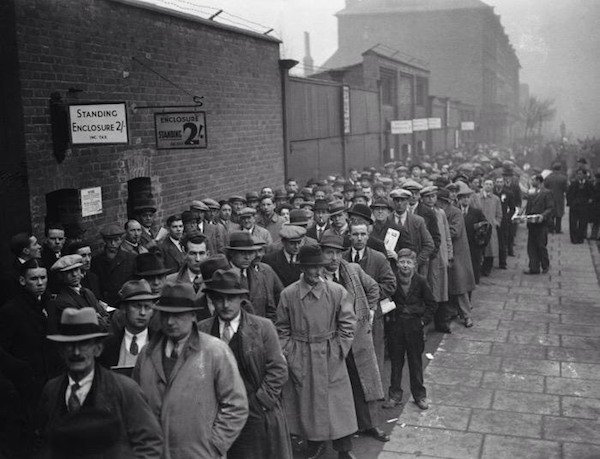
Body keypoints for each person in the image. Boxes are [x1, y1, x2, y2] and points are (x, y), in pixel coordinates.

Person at [133, 283, 248, 458]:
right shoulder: (147, 353)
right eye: (165, 315)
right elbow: (136, 404)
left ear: (193, 315)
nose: (170, 322)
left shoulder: (214, 350)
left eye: (178, 315)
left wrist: (214, 445)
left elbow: (236, 405)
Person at [38, 308, 163, 458]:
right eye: (69, 345)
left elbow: (150, 442)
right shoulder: (52, 390)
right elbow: (43, 444)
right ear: (61, 351)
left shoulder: (124, 389)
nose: (76, 352)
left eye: (84, 344)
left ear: (98, 349)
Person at [198, 270, 292, 459]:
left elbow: (278, 369)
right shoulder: (202, 330)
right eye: (219, 299)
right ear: (211, 300)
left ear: (241, 298)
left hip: (256, 414)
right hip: (217, 416)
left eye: (231, 298)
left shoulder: (262, 327)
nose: (225, 305)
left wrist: (259, 403)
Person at [276, 244, 358, 459]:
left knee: (339, 405)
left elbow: (348, 324)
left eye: (319, 267)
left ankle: (344, 449)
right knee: (307, 403)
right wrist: (289, 352)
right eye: (311, 267)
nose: (316, 272)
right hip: (301, 354)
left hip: (330, 352)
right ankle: (315, 443)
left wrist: (339, 349)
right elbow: (281, 328)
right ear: (302, 268)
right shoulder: (289, 294)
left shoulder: (336, 291)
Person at [320, 234, 388, 444]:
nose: (333, 258)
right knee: (338, 385)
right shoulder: (317, 277)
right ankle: (342, 430)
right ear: (321, 254)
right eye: (329, 252)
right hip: (332, 340)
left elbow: (374, 287)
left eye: (337, 253)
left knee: (365, 381)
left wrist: (369, 309)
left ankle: (371, 424)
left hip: (357, 336)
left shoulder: (353, 270)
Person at [0, 259, 63, 450]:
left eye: (43, 278)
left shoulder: (51, 305)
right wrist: (21, 370)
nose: (40, 283)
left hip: (53, 377)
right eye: (34, 279)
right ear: (22, 281)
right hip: (27, 385)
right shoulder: (11, 310)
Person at [384, 249, 435, 410]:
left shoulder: (421, 281)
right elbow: (386, 300)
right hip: (396, 328)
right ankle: (394, 396)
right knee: (396, 363)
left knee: (415, 362)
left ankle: (419, 396)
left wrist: (422, 322)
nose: (405, 265)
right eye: (402, 262)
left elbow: (432, 305)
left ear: (414, 265)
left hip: (414, 328)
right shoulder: (392, 280)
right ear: (397, 263)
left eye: (409, 262)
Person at [437, 189, 476, 329]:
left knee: (460, 287)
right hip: (444, 252)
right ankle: (451, 313)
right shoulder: (438, 212)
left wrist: (438, 232)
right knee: (447, 287)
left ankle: (467, 316)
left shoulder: (455, 212)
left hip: (457, 254)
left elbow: (455, 231)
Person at [98, 279, 158, 368]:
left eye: (147, 307)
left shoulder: (161, 343)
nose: (142, 312)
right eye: (137, 306)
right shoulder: (107, 346)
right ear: (123, 309)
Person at [225, 231, 282, 321]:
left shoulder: (260, 275)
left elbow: (270, 308)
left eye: (250, 253)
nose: (247, 257)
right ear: (231, 253)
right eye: (242, 253)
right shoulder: (223, 276)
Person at [47, 254, 110, 334]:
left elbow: (105, 315)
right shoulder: (62, 301)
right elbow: (86, 327)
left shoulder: (87, 292)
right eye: (69, 272)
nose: (74, 274)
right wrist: (98, 318)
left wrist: (98, 318)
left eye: (76, 270)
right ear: (61, 276)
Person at [421, 186, 453, 327]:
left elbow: (446, 235)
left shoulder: (440, 213)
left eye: (433, 196)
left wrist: (449, 254)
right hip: (427, 255)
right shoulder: (420, 213)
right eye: (427, 197)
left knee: (441, 288)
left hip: (440, 255)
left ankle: (441, 321)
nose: (430, 199)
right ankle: (427, 321)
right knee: (427, 287)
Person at [388, 188, 434, 276]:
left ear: (408, 201)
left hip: (414, 271)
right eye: (397, 200)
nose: (400, 203)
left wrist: (416, 262)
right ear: (393, 202)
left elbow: (429, 245)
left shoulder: (417, 221)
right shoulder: (387, 221)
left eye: (403, 200)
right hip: (392, 269)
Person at [91, 224, 136, 307]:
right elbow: (94, 284)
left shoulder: (131, 258)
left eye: (116, 240)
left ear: (121, 240)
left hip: (125, 301)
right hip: (106, 303)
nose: (112, 243)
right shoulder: (96, 260)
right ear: (104, 240)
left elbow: (135, 281)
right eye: (109, 240)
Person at [523, 175, 554, 275]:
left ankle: (545, 265)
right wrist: (525, 217)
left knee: (541, 245)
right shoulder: (532, 192)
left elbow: (550, 208)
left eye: (533, 180)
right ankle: (534, 267)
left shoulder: (546, 193)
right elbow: (528, 206)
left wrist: (543, 216)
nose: (531, 182)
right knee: (531, 246)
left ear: (538, 181)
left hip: (541, 224)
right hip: (532, 223)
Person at [458, 184, 487, 285]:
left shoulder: (476, 212)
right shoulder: (455, 211)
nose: (466, 200)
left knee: (474, 265)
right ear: (459, 199)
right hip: (459, 245)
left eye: (467, 197)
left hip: (473, 245)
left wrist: (480, 239)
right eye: (463, 198)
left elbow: (485, 226)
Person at [479, 179, 502, 276]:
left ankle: (487, 268)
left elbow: (499, 213)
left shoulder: (496, 199)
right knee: (479, 248)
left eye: (490, 184)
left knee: (490, 248)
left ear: (493, 187)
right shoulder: (477, 197)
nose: (488, 186)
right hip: (479, 227)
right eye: (487, 184)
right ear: (483, 185)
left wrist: (497, 222)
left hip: (491, 227)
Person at [493, 176, 516, 269]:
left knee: (503, 242)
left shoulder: (508, 193)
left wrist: (507, 217)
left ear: (503, 183)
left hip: (503, 221)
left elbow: (512, 208)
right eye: (497, 182)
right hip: (492, 219)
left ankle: (502, 262)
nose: (499, 183)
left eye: (500, 182)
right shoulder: (492, 193)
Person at [567, 168, 593, 244]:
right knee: (573, 223)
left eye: (581, 174)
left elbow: (592, 193)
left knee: (583, 223)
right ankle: (573, 238)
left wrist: (590, 200)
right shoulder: (573, 183)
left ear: (584, 175)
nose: (579, 176)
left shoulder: (588, 184)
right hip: (574, 206)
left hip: (584, 206)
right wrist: (570, 202)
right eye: (578, 174)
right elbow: (569, 194)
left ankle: (580, 238)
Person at [544, 162, 568, 233]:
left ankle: (550, 228)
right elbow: (566, 189)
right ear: (560, 169)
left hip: (550, 197)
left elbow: (545, 186)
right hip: (559, 198)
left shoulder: (548, 177)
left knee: (551, 213)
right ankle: (558, 229)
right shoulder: (563, 178)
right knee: (559, 213)